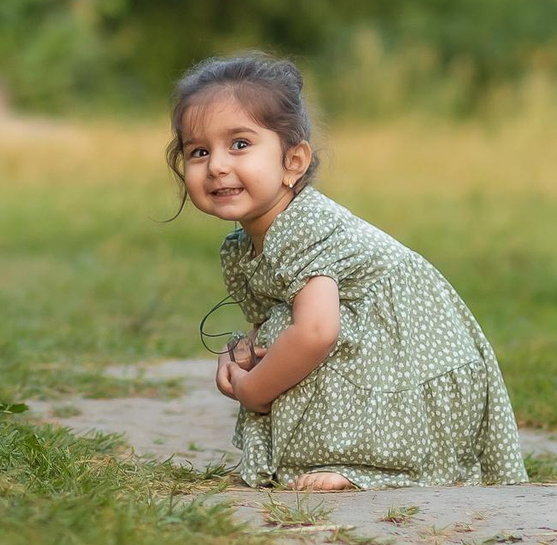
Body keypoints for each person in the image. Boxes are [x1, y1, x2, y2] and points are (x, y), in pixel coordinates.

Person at [168, 51, 528, 491]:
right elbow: (275, 326)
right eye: (199, 151)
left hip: (417, 372)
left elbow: (317, 332)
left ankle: (365, 464)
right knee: (286, 336)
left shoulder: (306, 230)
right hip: (397, 364)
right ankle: (330, 457)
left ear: (293, 163)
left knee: (300, 337)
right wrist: (245, 355)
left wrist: (252, 390)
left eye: (240, 144)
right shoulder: (254, 238)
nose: (218, 165)